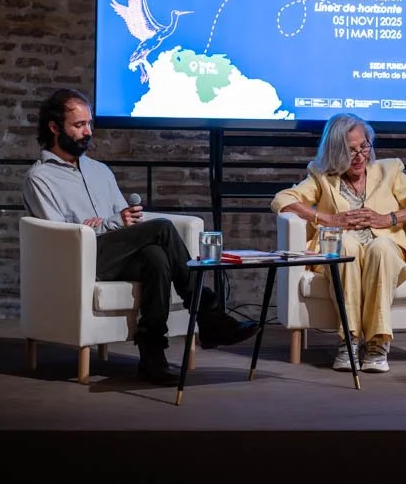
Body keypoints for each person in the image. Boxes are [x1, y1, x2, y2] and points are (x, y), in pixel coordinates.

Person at [22, 88, 258, 386]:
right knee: (160, 228)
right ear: (55, 128)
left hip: (115, 255)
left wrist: (118, 221)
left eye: (89, 124)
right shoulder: (39, 178)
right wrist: (105, 224)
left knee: (156, 257)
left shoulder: (100, 171)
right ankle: (209, 315)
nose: (88, 132)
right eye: (78, 125)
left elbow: (125, 220)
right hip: (78, 262)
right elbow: (57, 235)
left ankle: (152, 357)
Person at [271, 113, 406, 373]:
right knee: (346, 245)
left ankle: (377, 343)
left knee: (380, 248)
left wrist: (389, 218)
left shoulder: (389, 170)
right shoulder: (321, 175)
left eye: (364, 146)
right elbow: (282, 199)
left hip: (385, 247)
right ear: (336, 151)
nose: (360, 155)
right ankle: (348, 341)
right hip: (342, 246)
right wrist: (327, 218)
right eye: (350, 151)